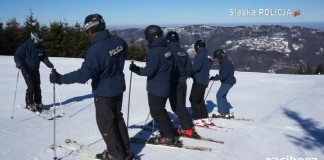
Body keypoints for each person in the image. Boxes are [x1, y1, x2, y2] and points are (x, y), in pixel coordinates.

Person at [49, 14, 134, 160]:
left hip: (104, 92)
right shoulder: (119, 41)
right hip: (118, 88)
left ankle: (116, 155)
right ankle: (126, 151)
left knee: (107, 124)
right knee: (117, 119)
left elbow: (83, 75)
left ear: (90, 30)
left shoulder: (95, 50)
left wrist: (60, 79)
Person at [129, 25, 177, 145]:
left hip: (157, 87)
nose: (146, 40)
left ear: (151, 36)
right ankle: (169, 132)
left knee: (157, 112)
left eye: (147, 37)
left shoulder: (155, 51)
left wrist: (136, 69)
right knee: (161, 110)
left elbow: (149, 71)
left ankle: (168, 136)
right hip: (165, 84)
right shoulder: (166, 48)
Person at [165, 31, 197, 137]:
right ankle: (185, 123)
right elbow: (189, 68)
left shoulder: (168, 51)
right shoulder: (183, 51)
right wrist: (184, 75)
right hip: (183, 82)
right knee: (181, 105)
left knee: (177, 107)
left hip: (174, 82)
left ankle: (187, 128)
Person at [14, 30, 54, 112]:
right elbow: (17, 56)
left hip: (35, 69)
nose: (39, 41)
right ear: (32, 38)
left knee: (37, 86)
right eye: (38, 40)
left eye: (40, 40)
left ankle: (38, 102)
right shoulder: (25, 46)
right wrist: (18, 63)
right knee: (31, 86)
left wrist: (48, 64)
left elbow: (43, 57)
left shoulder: (40, 47)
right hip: (26, 69)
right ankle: (29, 103)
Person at [189, 40, 215, 127]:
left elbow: (197, 67)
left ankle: (197, 119)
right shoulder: (208, 56)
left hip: (198, 80)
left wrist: (189, 71)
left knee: (193, 100)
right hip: (204, 80)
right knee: (200, 100)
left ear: (198, 47)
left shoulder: (200, 55)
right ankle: (205, 118)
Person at [210, 49, 236, 119]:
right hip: (228, 81)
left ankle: (221, 112)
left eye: (216, 58)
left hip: (228, 81)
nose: (215, 59)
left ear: (219, 56)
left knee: (219, 95)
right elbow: (225, 73)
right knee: (222, 96)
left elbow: (224, 76)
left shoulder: (225, 63)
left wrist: (215, 78)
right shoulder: (224, 61)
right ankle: (226, 112)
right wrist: (217, 77)